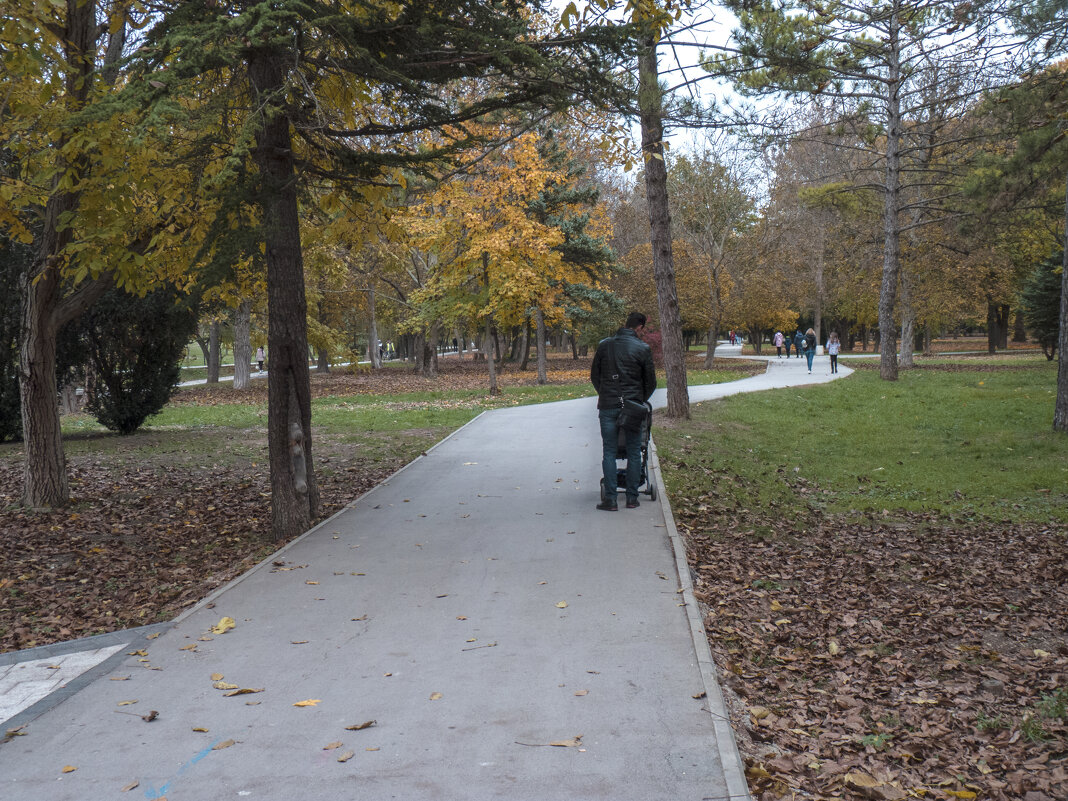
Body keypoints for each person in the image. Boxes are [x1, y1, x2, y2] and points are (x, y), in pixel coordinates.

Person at [590, 312, 657, 511]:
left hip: (608, 406)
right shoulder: (643, 348)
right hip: (632, 408)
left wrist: (605, 394)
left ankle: (610, 500)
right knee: (635, 452)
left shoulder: (605, 345)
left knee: (609, 451)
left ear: (626, 324)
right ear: (640, 328)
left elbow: (595, 376)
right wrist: (639, 400)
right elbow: (651, 382)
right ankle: (632, 498)